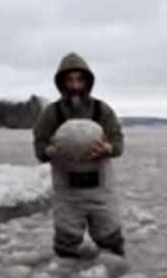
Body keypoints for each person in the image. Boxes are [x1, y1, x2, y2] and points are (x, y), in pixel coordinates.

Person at [31, 52, 126, 260]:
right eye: (70, 80)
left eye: (79, 80)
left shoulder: (102, 111)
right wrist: (50, 152)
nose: (75, 85)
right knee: (66, 244)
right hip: (67, 190)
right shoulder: (52, 113)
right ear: (61, 83)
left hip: (100, 189)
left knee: (111, 240)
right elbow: (39, 145)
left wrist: (108, 149)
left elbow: (118, 142)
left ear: (87, 82)